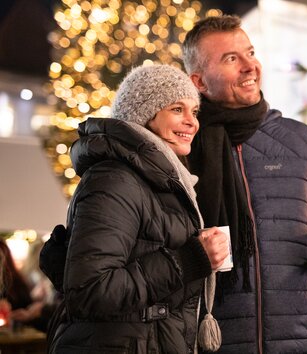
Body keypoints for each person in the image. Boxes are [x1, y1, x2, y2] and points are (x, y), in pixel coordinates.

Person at [182, 15, 307, 353]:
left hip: (303, 337)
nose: (250, 66)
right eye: (231, 59)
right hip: (217, 341)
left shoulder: (299, 140)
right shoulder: (185, 147)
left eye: (250, 52)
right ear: (200, 82)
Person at [47, 64, 229, 354]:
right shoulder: (115, 179)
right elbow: (92, 291)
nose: (192, 122)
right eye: (177, 109)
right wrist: (188, 260)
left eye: (194, 112)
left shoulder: (160, 178)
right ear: (144, 113)